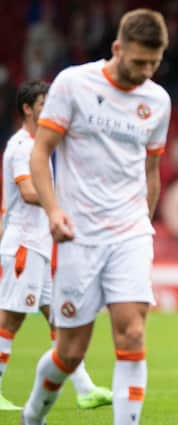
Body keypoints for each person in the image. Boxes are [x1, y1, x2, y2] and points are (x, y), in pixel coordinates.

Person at [21, 9, 171, 425]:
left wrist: (144, 224)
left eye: (153, 64)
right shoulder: (73, 84)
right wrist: (53, 211)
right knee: (70, 353)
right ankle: (32, 415)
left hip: (130, 232)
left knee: (133, 333)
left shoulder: (157, 101)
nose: (144, 72)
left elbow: (151, 172)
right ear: (117, 48)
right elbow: (41, 152)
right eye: (138, 61)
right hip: (78, 236)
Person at [0, 81, 112, 411]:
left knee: (60, 321)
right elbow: (28, 192)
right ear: (27, 108)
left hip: (41, 245)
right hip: (24, 245)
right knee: (10, 320)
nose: (48, 108)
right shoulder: (21, 147)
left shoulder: (40, 147)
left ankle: (85, 389)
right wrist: (67, 202)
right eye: (42, 103)